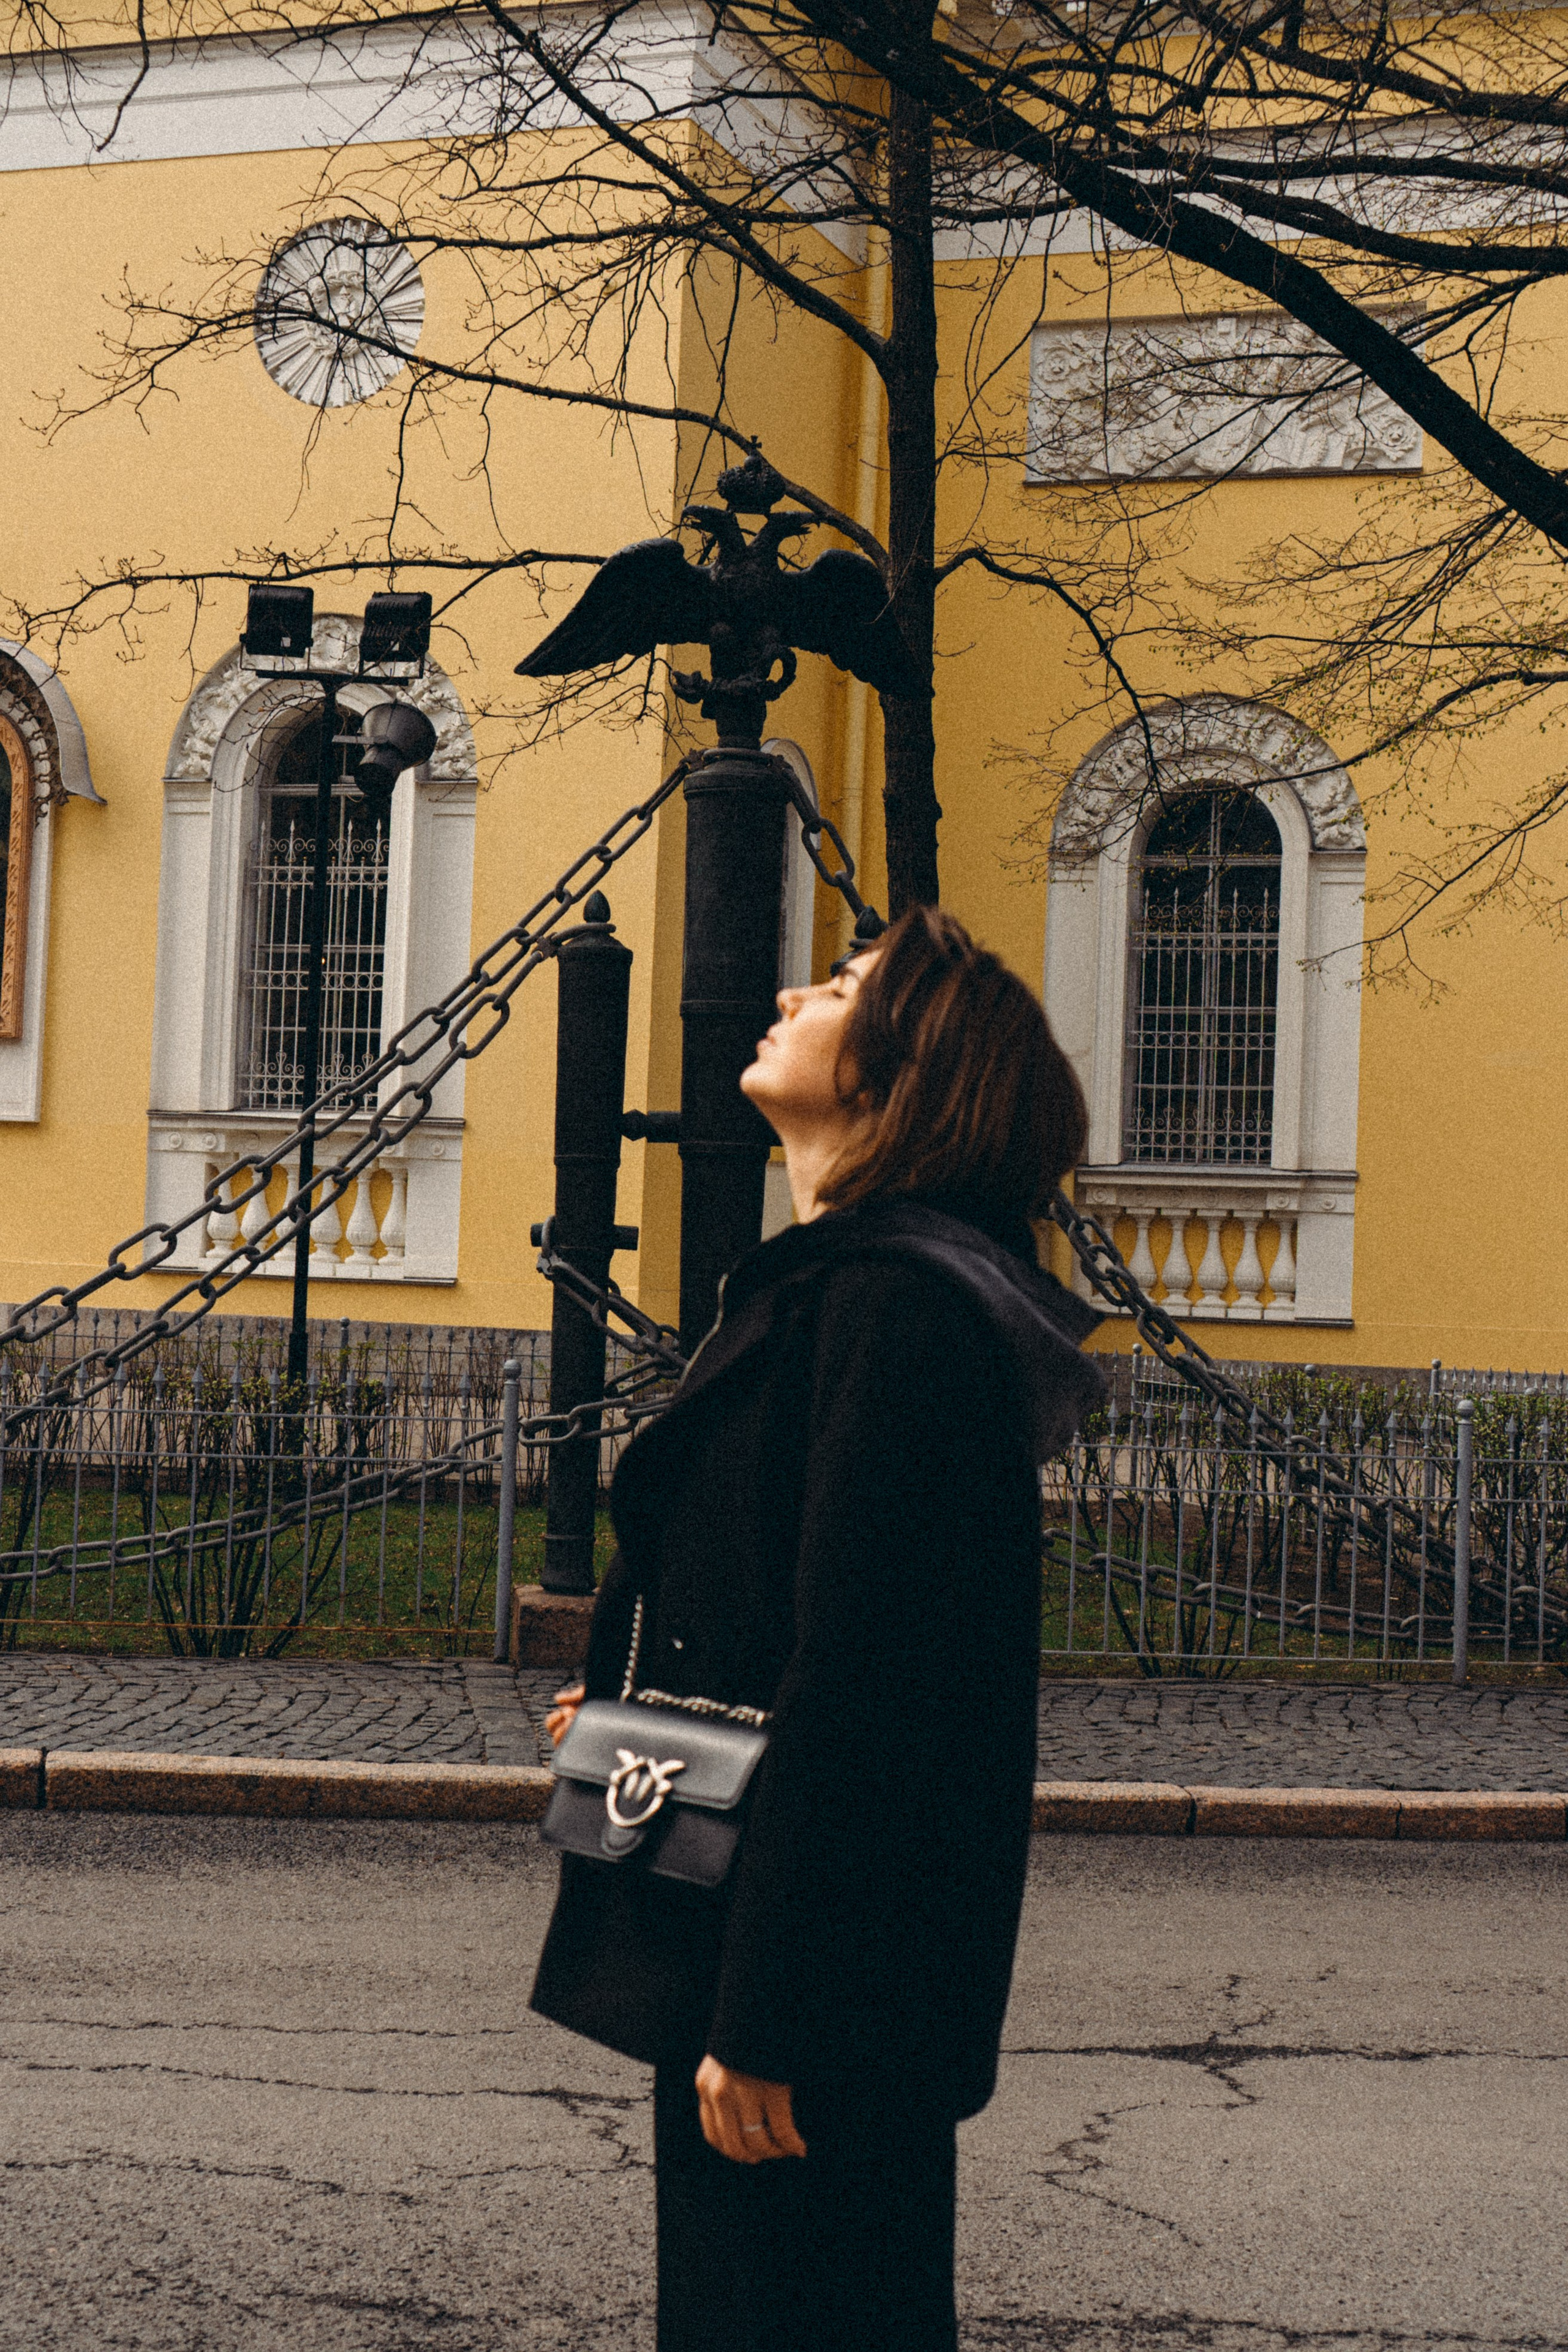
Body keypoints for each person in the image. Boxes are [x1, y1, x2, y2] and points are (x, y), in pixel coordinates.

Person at [531, 903, 1105, 2352]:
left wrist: (770, 2016)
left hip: (812, 1989)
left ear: (900, 1071)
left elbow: (870, 1691)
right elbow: (773, 1607)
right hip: (769, 1942)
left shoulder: (898, 1318)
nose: (792, 993)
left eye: (843, 986)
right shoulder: (844, 1294)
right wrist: (627, 1717)